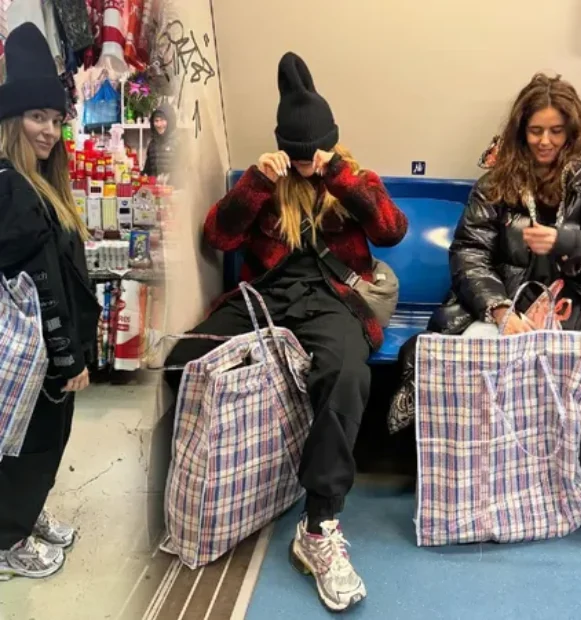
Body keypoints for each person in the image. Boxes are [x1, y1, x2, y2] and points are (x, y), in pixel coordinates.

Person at [163, 52, 407, 612]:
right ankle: (259, 474)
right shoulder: (268, 181)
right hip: (268, 295)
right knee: (185, 360)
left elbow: (391, 230)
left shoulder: (352, 178)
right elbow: (219, 238)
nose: (305, 164)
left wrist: (337, 176)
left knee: (345, 375)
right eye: (298, 155)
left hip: (331, 298)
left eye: (313, 153)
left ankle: (319, 526)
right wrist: (255, 183)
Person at [394, 73, 581, 545]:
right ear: (521, 131)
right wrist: (499, 309)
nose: (545, 141)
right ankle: (476, 499)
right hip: (506, 307)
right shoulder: (495, 186)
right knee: (474, 363)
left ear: (572, 132)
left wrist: (572, 244)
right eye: (536, 130)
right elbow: (468, 256)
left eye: (556, 131)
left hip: (579, 306)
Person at [0, 23, 100, 580]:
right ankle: (6, 538)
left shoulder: (38, 182)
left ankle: (25, 510)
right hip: (37, 353)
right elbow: (40, 285)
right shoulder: (13, 188)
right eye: (37, 116)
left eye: (57, 119)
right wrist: (68, 357)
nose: (50, 130)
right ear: (12, 118)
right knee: (30, 443)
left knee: (44, 438)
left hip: (47, 349)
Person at [142, 102, 176, 180]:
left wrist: (169, 178)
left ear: (170, 121)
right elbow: (147, 172)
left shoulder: (179, 142)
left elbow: (185, 172)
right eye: (156, 121)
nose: (159, 124)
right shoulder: (152, 144)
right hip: (155, 186)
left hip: (175, 187)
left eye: (162, 120)